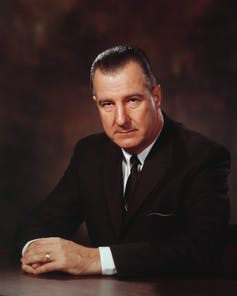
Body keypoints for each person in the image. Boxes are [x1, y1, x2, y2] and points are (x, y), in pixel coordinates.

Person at [15, 45, 230, 277]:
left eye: (132, 100)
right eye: (107, 104)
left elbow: (203, 250)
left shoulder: (203, 157)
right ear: (97, 103)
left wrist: (94, 259)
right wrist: (37, 253)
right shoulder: (89, 153)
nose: (121, 119)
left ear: (156, 97)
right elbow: (39, 223)